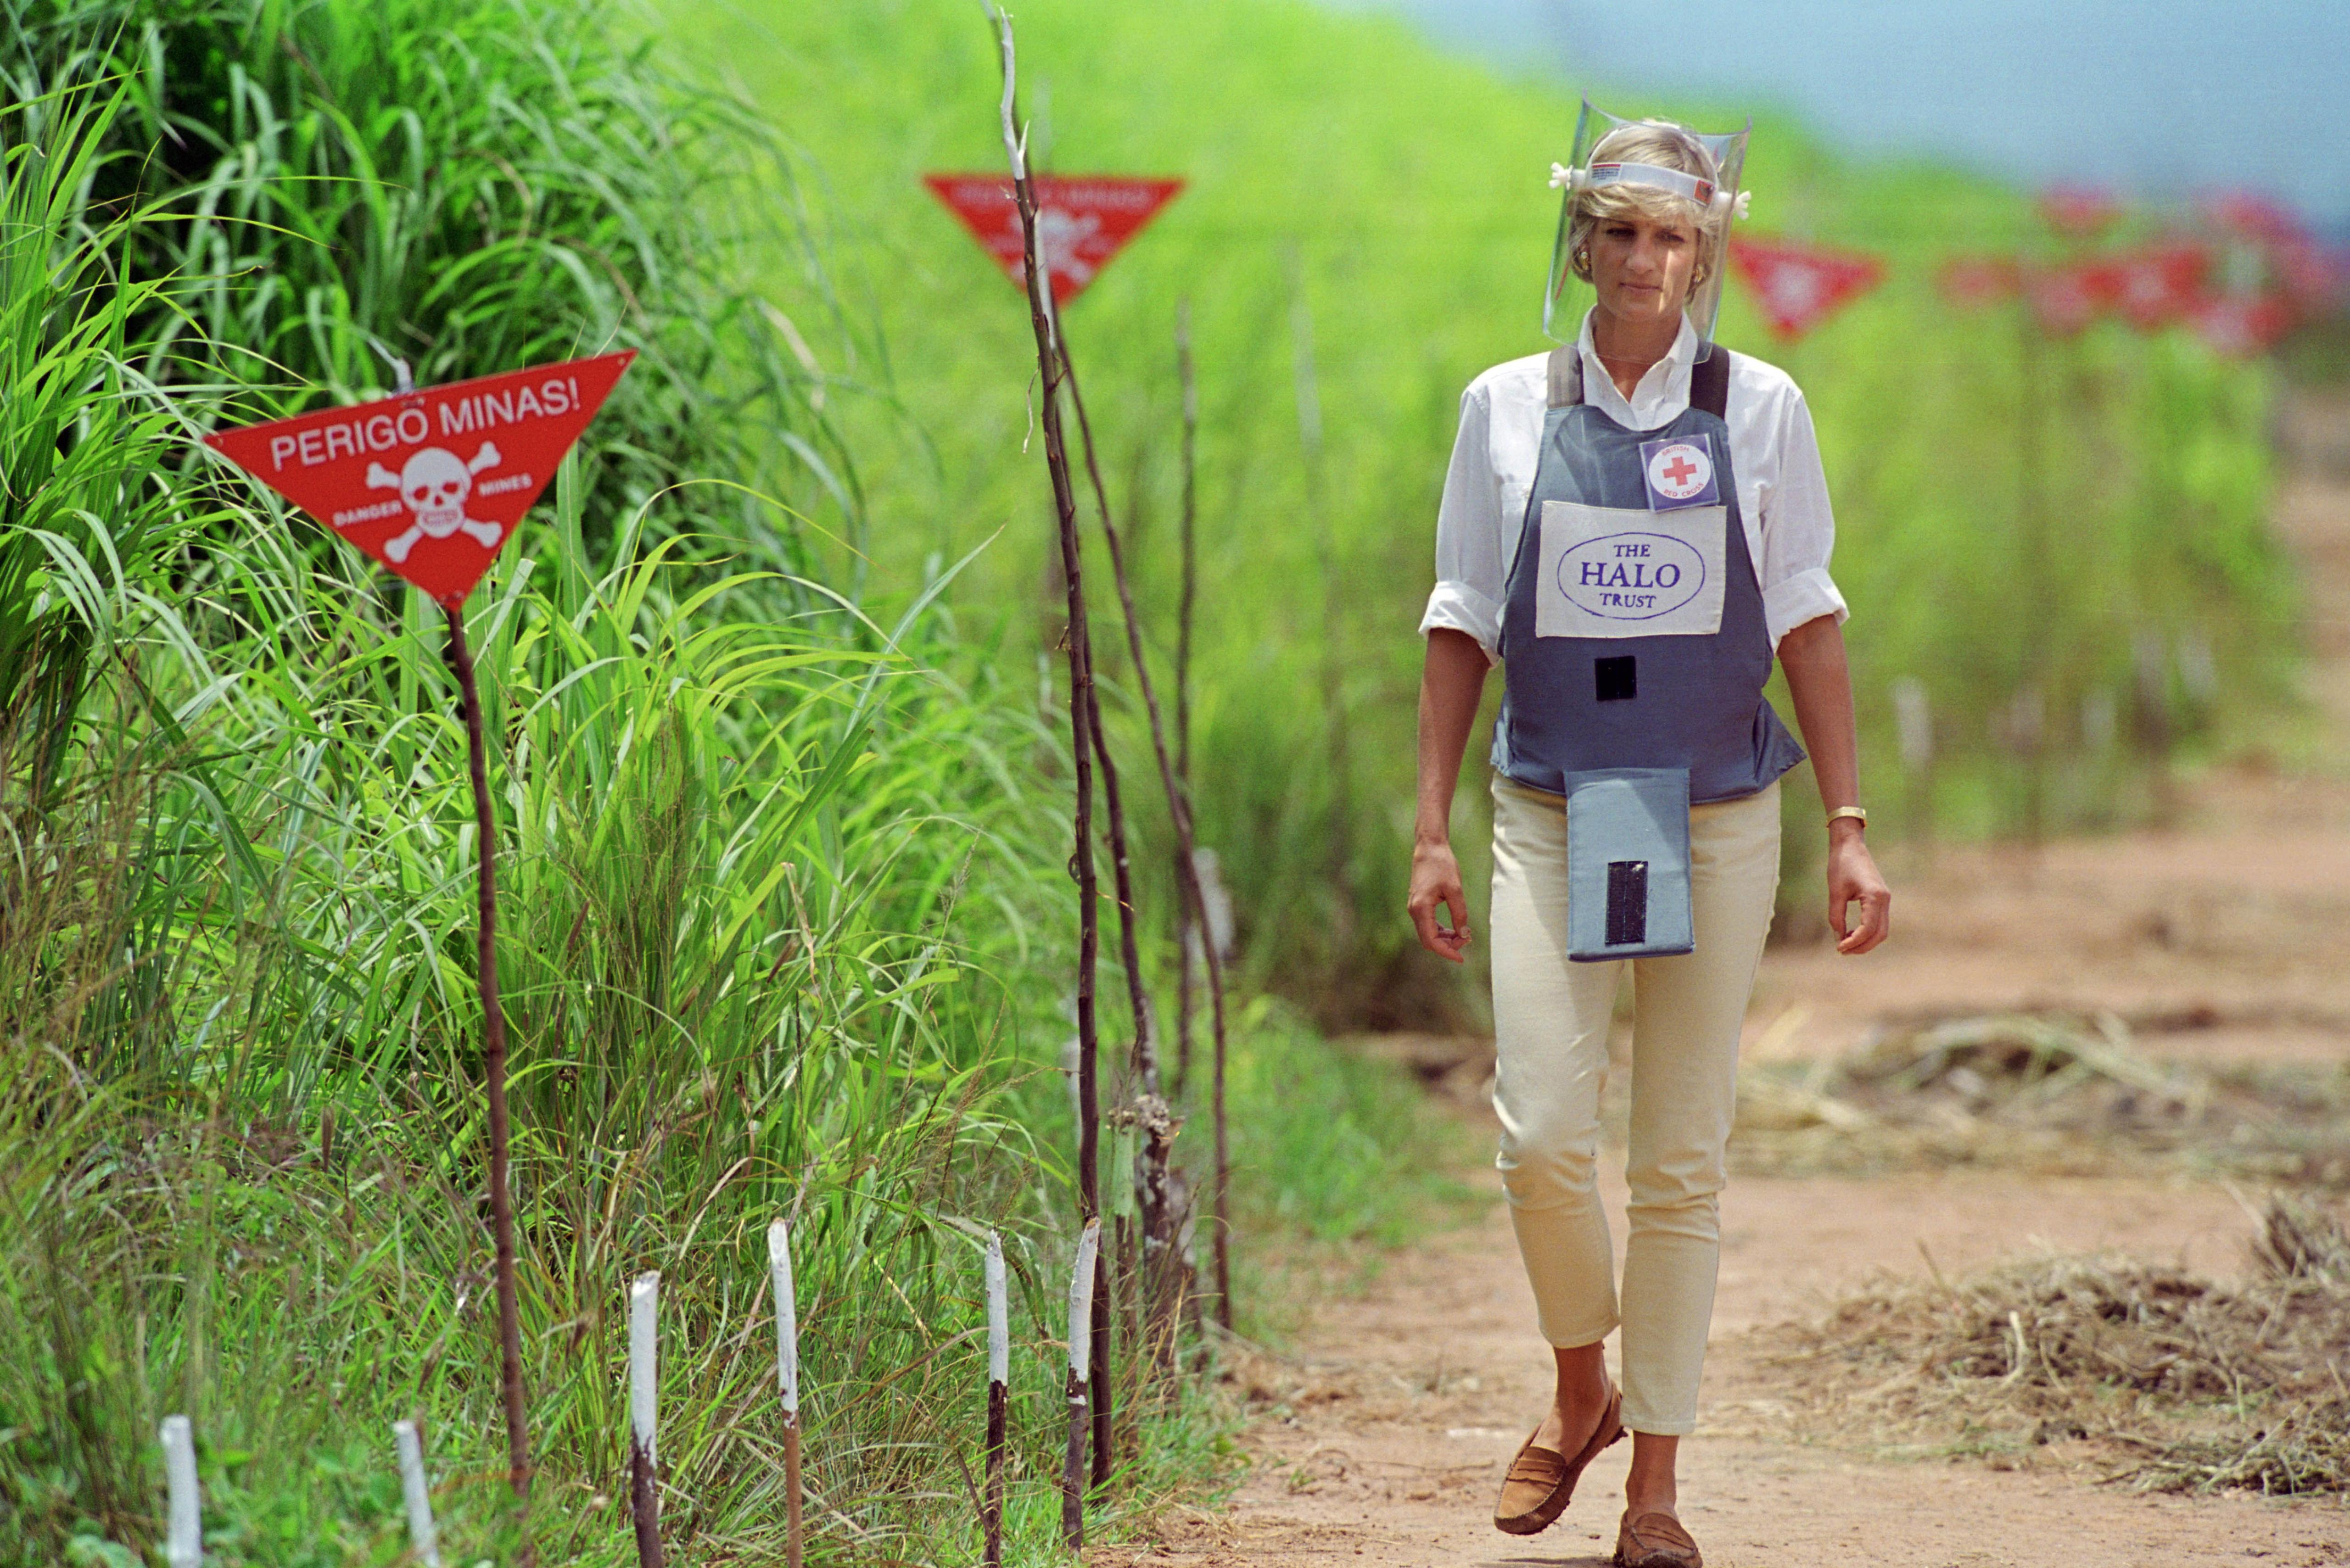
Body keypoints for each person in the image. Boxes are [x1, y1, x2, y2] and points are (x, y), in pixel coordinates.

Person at [1406, 106, 1891, 1568]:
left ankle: (1657, 1492)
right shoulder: (1502, 406)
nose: (1641, 258)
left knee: (1681, 1156)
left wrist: (1850, 827)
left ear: (1705, 249)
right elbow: (1459, 620)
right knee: (1542, 1132)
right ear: (1579, 241)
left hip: (1719, 806)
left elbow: (1807, 616)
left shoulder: (1762, 411)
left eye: (1670, 232)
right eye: (1616, 229)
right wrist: (1429, 825)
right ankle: (1581, 1385)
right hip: (1551, 805)